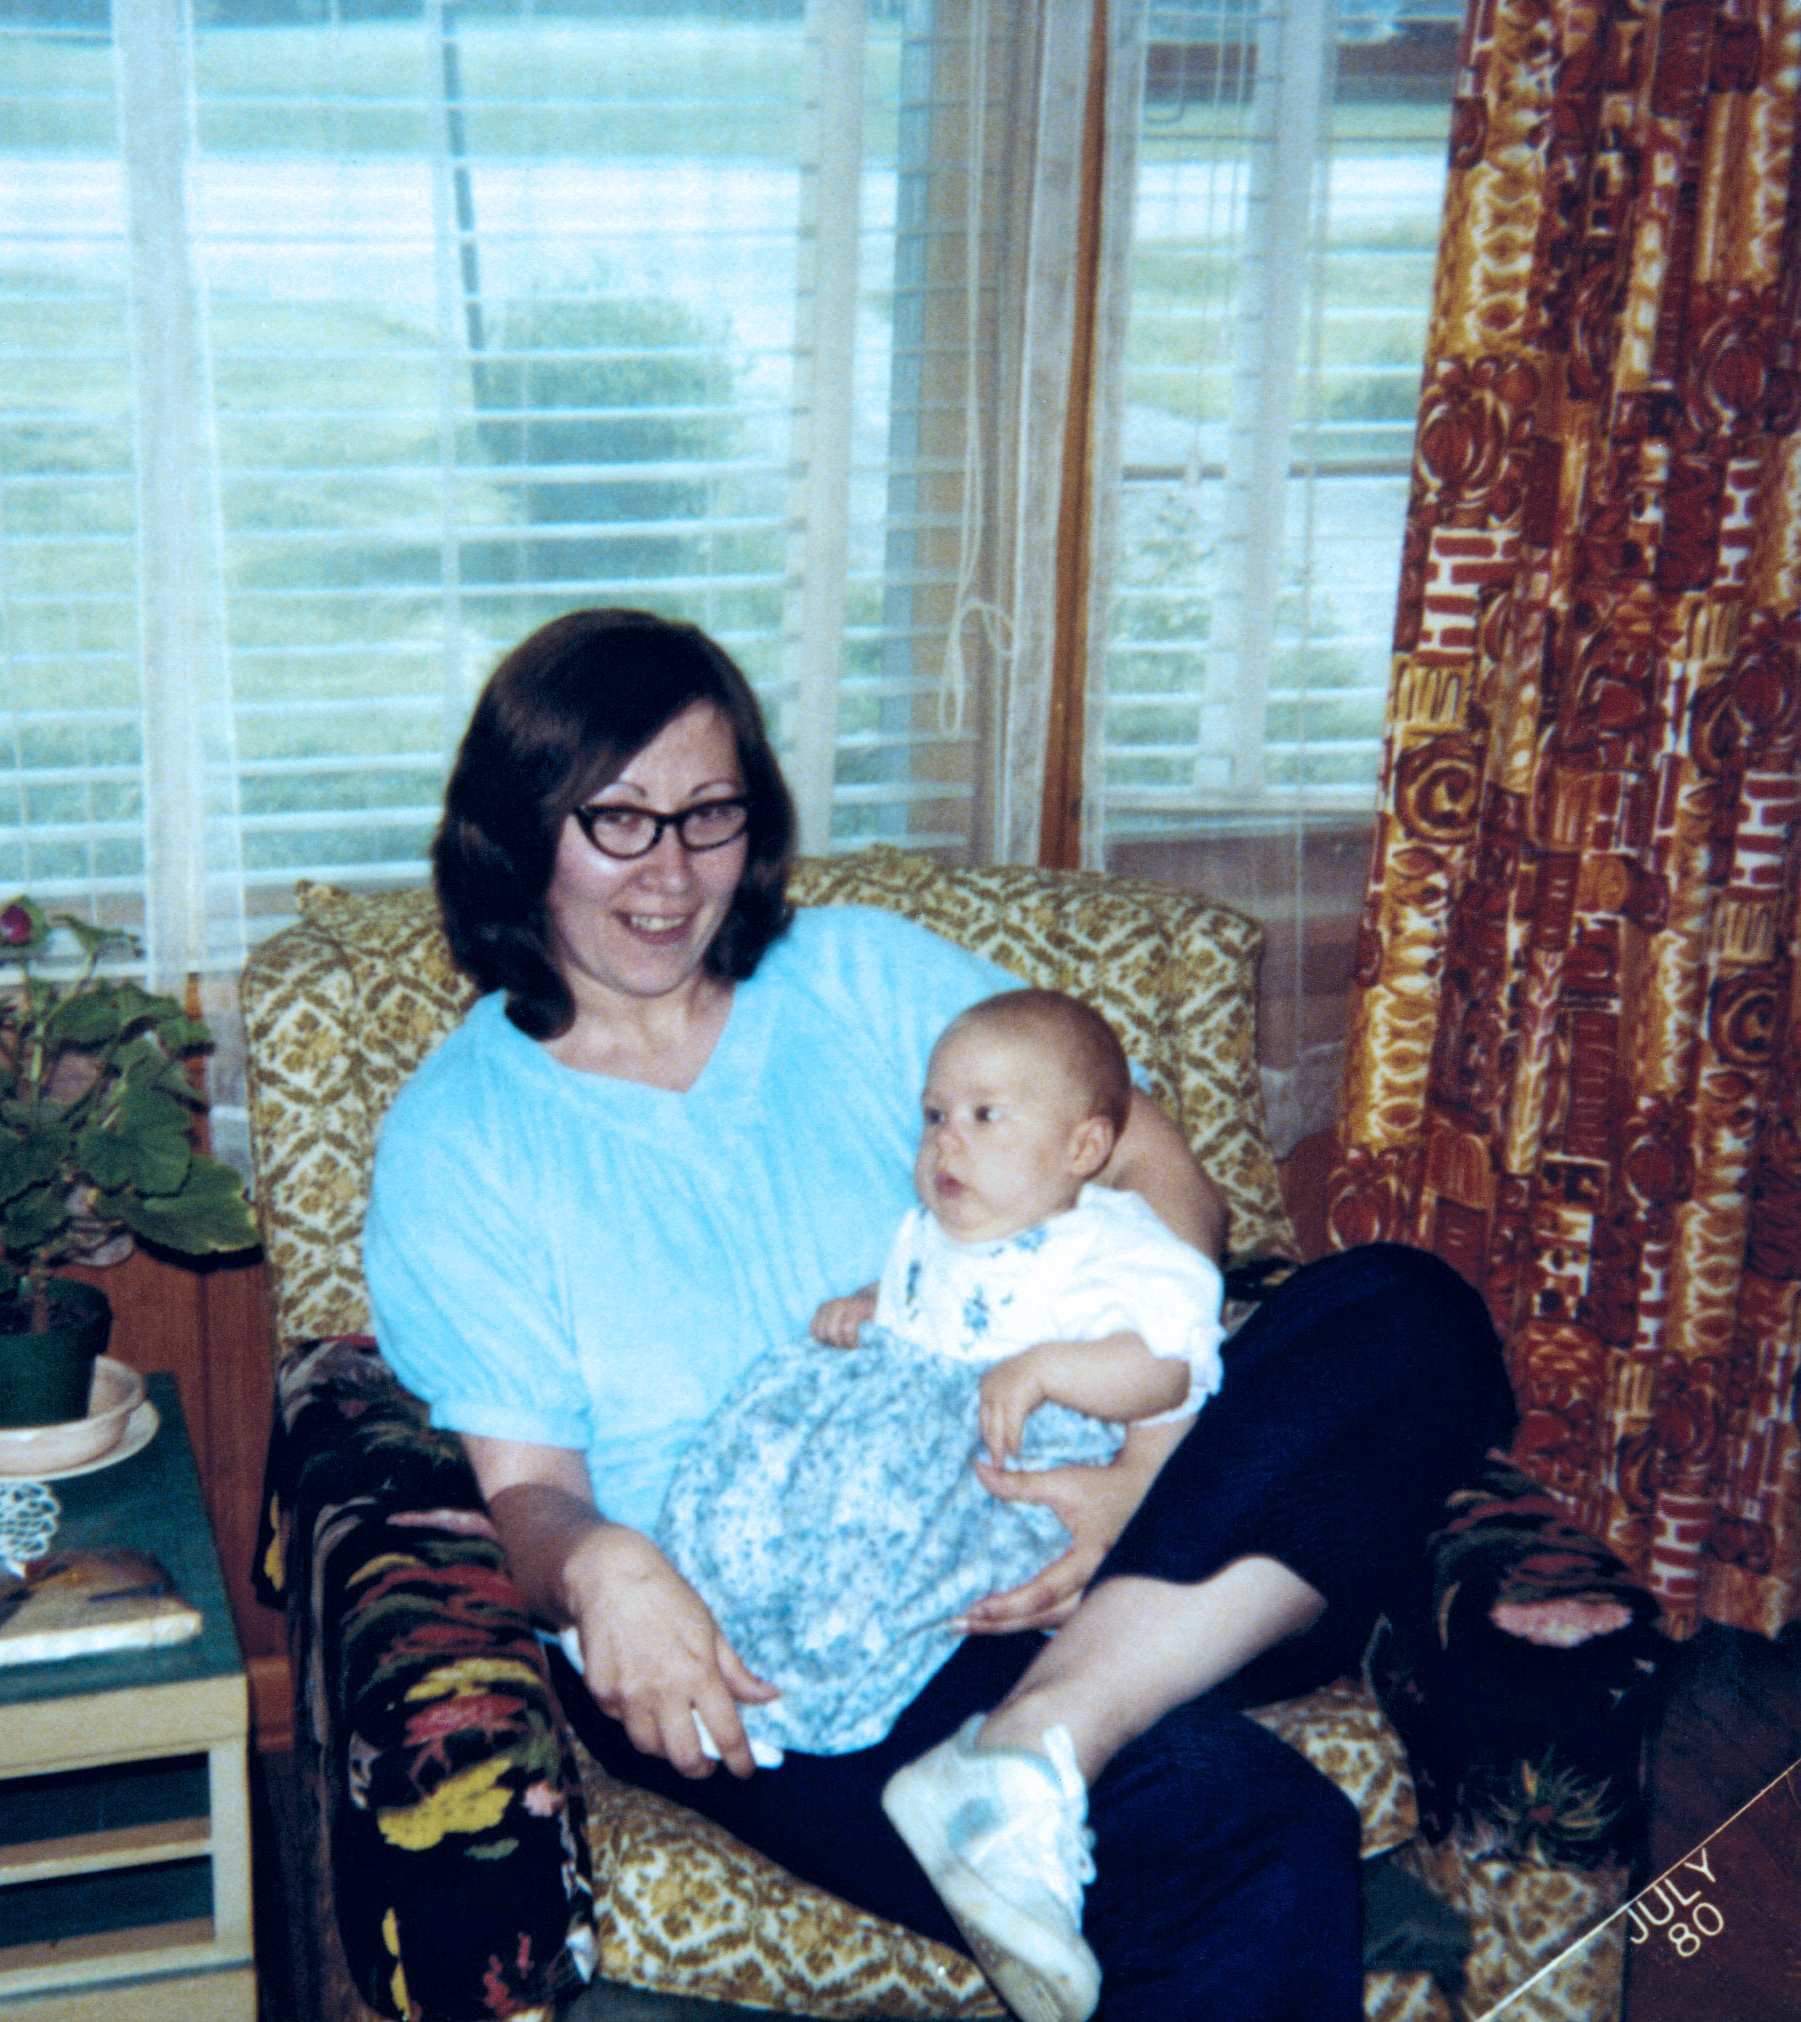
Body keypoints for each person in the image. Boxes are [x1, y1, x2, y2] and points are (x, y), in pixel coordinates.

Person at [364, 606, 1515, 2022]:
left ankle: (1038, 1736)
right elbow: (529, 1490)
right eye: (618, 820)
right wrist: (606, 1573)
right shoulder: (461, 1134)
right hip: (789, 1637)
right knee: (1251, 1830)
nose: (670, 874)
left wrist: (1133, 1478)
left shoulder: (854, 975)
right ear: (518, 828)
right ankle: (1037, 1748)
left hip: (1061, 1522)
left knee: (1406, 1311)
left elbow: (1159, 1178)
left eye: (710, 814)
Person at [653, 988, 1226, 1769]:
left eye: (984, 1117)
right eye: (934, 1117)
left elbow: (1170, 1363)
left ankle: (812, 1687)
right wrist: (868, 1306)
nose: (946, 1143)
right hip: (886, 1433)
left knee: (882, 1561)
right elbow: (928, 1302)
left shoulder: (1106, 1247)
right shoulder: (925, 1232)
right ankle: (724, 1640)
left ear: (1083, 1149)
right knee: (762, 1489)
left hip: (993, 1462)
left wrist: (1047, 1368)